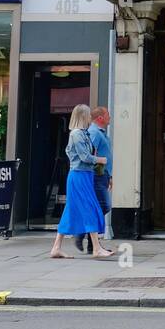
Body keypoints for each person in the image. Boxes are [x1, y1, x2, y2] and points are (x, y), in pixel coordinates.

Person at [49, 104, 112, 260]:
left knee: (70, 211)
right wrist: (101, 160)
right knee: (91, 208)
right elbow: (85, 157)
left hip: (84, 175)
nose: (90, 117)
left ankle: (56, 248)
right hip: (79, 176)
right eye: (87, 115)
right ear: (82, 116)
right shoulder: (76, 134)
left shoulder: (83, 133)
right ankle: (96, 248)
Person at [74, 106, 113, 254]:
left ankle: (92, 244)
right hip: (97, 176)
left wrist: (109, 175)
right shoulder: (94, 133)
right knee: (103, 206)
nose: (110, 117)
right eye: (107, 115)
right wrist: (100, 173)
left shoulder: (101, 132)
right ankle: (82, 233)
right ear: (100, 118)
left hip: (103, 175)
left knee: (100, 207)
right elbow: (90, 154)